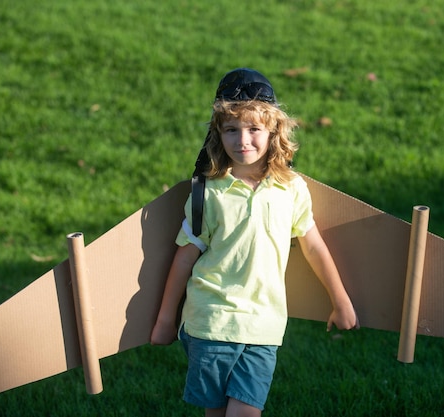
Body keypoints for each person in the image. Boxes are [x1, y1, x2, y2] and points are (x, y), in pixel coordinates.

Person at [151, 68, 358, 417]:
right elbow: (184, 259)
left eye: (253, 129)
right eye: (231, 130)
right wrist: (165, 320)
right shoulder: (208, 192)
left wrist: (341, 301)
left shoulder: (291, 188)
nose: (242, 140)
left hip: (264, 326)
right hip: (210, 322)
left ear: (273, 131)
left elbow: (314, 246)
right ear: (218, 133)